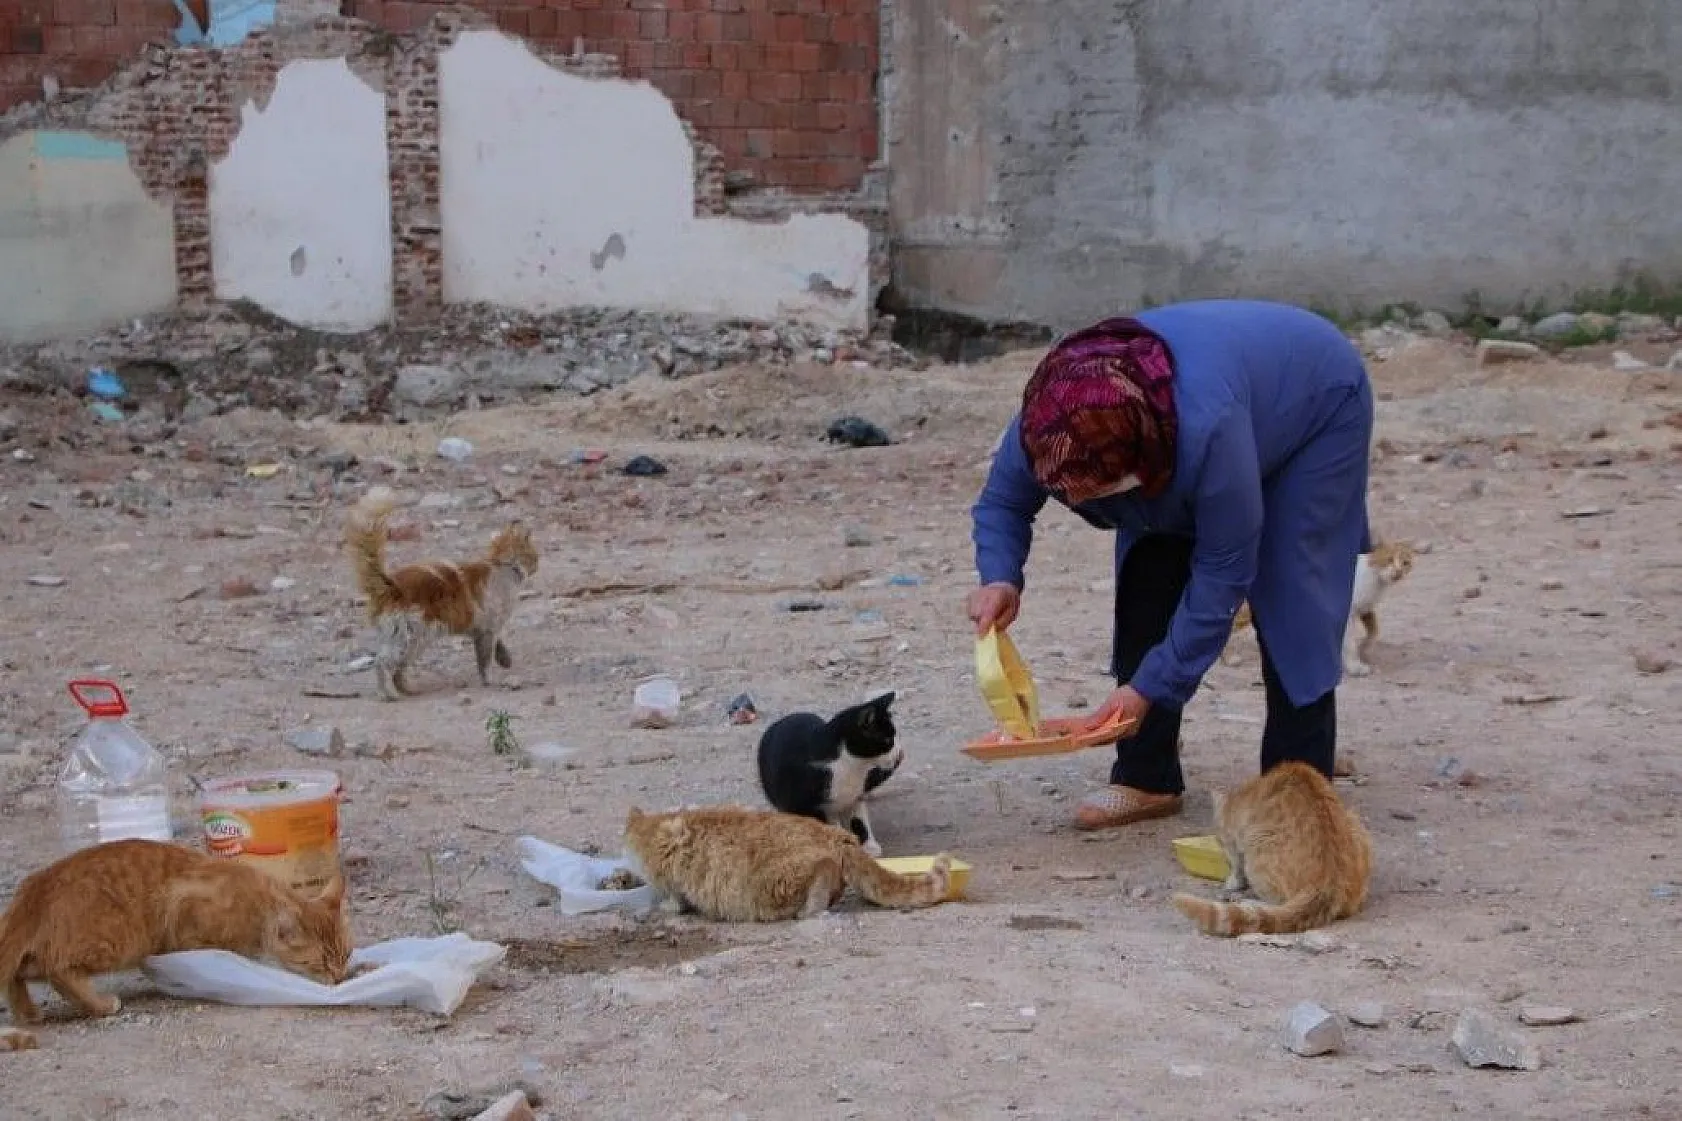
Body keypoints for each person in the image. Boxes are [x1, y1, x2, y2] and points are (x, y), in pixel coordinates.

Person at [967, 300, 1373, 832]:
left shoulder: (1208, 435)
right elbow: (1002, 503)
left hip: (1315, 402)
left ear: (1140, 460)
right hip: (1208, 407)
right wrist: (999, 576)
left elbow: (1223, 577)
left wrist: (1149, 688)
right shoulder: (1052, 423)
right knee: (1148, 566)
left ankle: (1297, 793)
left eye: (1103, 494)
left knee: (1294, 593)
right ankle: (1146, 776)